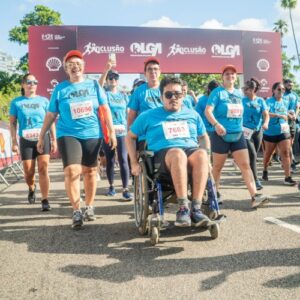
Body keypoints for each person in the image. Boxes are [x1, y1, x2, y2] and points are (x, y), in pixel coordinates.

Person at [37, 50, 117, 229]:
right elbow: (51, 114)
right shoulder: (60, 89)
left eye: (78, 63)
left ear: (83, 67)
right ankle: (76, 210)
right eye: (70, 64)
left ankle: (89, 206)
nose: (75, 67)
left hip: (92, 134)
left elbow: (104, 109)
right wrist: (42, 135)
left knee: (89, 172)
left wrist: (111, 132)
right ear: (66, 69)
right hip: (68, 134)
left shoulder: (94, 85)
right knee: (72, 171)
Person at [126, 76, 211, 227]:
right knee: (178, 153)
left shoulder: (192, 114)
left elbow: (203, 137)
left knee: (202, 155)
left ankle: (196, 209)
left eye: (177, 94)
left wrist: (208, 158)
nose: (174, 98)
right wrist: (133, 162)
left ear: (183, 96)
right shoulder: (148, 115)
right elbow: (130, 137)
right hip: (163, 158)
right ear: (161, 96)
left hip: (189, 152)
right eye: (169, 94)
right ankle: (183, 208)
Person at [205, 65, 268, 208]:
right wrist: (216, 124)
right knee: (217, 167)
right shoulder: (217, 93)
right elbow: (208, 111)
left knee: (245, 165)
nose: (230, 76)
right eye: (227, 74)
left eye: (233, 74)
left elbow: (254, 104)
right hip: (220, 135)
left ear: (236, 77)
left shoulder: (240, 94)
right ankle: (214, 195)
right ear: (223, 77)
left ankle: (254, 196)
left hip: (238, 134)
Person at [9, 73, 56, 211]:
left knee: (43, 169)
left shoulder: (44, 101)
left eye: (35, 82)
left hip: (43, 138)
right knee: (29, 173)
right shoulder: (16, 102)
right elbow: (12, 123)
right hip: (26, 140)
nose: (32, 85)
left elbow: (50, 121)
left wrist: (54, 139)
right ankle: (31, 187)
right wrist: (14, 142)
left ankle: (45, 199)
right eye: (29, 82)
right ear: (23, 85)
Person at [98, 60, 132, 200]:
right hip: (108, 132)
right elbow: (99, 86)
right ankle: (111, 186)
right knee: (110, 160)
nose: (113, 80)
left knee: (124, 159)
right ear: (107, 80)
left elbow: (129, 113)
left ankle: (125, 189)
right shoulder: (104, 94)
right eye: (110, 78)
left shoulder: (124, 96)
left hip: (122, 132)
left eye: (115, 78)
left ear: (118, 81)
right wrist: (106, 70)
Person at [262, 82, 296, 186]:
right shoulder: (268, 101)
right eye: (279, 89)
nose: (281, 91)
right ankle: (265, 169)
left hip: (284, 131)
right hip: (270, 132)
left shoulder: (285, 101)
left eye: (283, 89)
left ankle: (287, 177)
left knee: (286, 152)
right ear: (273, 91)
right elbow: (265, 114)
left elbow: (287, 112)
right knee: (268, 154)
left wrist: (290, 115)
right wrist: (279, 115)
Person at [242, 78, 269, 190]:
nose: (244, 90)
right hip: (245, 131)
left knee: (253, 155)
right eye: (244, 88)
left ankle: (247, 172)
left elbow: (266, 114)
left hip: (257, 131)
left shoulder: (260, 101)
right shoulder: (241, 100)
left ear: (253, 89)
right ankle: (256, 180)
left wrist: (266, 123)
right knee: (252, 154)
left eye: (247, 89)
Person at [127, 57, 162, 140]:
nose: (153, 71)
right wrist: (129, 136)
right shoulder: (139, 91)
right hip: (145, 136)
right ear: (145, 73)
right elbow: (131, 115)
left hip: (164, 136)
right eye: (149, 69)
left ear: (160, 72)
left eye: (155, 69)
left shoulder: (167, 89)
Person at [283, 79, 299, 172]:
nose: (291, 86)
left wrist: (295, 116)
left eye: (292, 85)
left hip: (293, 121)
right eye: (289, 85)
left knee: (291, 142)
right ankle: (292, 163)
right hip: (283, 121)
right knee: (287, 143)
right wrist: (288, 115)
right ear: (285, 85)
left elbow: (297, 107)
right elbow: (280, 106)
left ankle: (287, 160)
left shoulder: (295, 94)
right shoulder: (281, 94)